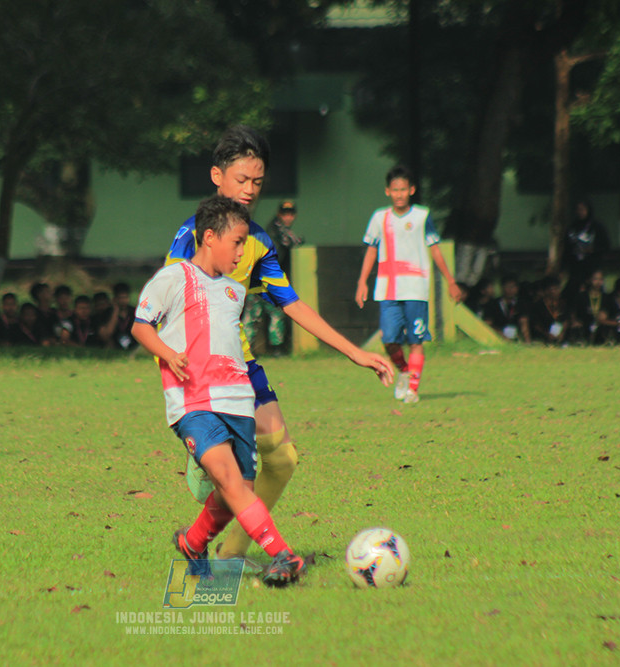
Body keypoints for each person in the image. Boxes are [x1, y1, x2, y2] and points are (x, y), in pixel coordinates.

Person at [165, 125, 394, 563]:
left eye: (257, 182)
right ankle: (220, 521)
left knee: (283, 460)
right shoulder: (191, 236)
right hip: (198, 372)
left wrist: (355, 352)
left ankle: (223, 552)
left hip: (241, 366)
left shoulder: (260, 241)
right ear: (217, 177)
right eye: (241, 180)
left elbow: (291, 304)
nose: (250, 190)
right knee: (237, 481)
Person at [135, 195, 307, 587]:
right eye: (238, 242)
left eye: (247, 242)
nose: (243, 251)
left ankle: (193, 543)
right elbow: (141, 325)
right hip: (193, 402)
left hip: (238, 401)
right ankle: (283, 554)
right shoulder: (173, 278)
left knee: (236, 493)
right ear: (209, 237)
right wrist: (169, 354)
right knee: (230, 481)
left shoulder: (233, 292)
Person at [354, 165, 464, 404]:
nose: (399, 194)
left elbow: (435, 249)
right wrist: (362, 281)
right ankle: (404, 370)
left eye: (403, 189)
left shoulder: (422, 216)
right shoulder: (379, 218)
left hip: (416, 288)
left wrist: (451, 281)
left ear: (411, 190)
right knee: (389, 340)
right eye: (395, 190)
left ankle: (412, 389)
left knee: (415, 340)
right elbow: (371, 250)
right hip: (387, 288)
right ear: (387, 191)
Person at [243, 201, 304, 356]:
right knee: (256, 315)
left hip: (266, 278)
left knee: (266, 314)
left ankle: (269, 349)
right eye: (285, 213)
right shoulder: (275, 229)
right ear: (279, 214)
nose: (288, 217)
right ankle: (251, 350)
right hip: (262, 278)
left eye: (290, 213)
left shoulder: (277, 229)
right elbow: (292, 242)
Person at [563, 199, 610, 300]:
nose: (581, 212)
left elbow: (605, 245)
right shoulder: (572, 227)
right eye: (578, 209)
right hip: (576, 268)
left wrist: (593, 250)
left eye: (583, 209)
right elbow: (567, 248)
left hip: (592, 266)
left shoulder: (597, 227)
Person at [482, 274, 530, 343]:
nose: (510, 290)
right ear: (502, 288)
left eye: (513, 287)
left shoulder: (521, 303)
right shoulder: (493, 303)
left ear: (517, 288)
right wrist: (501, 335)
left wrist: (527, 341)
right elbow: (488, 323)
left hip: (516, 337)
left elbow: (524, 323)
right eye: (507, 287)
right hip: (496, 336)